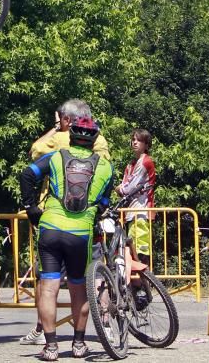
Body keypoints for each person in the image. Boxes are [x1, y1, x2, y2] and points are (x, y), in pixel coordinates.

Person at [19, 116, 115, 361]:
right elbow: (104, 203)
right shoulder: (106, 167)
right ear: (94, 140)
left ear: (71, 136)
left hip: (49, 228)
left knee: (49, 289)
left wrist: (31, 208)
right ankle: (78, 344)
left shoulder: (55, 156)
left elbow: (27, 175)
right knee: (78, 290)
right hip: (80, 235)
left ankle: (51, 347)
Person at [117, 129, 156, 268]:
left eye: (138, 140)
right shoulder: (131, 164)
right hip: (131, 210)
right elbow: (125, 185)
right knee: (131, 246)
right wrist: (122, 189)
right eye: (133, 139)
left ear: (146, 144)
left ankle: (142, 282)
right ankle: (135, 283)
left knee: (141, 247)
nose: (134, 142)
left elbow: (128, 188)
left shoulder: (145, 161)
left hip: (142, 210)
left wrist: (119, 189)